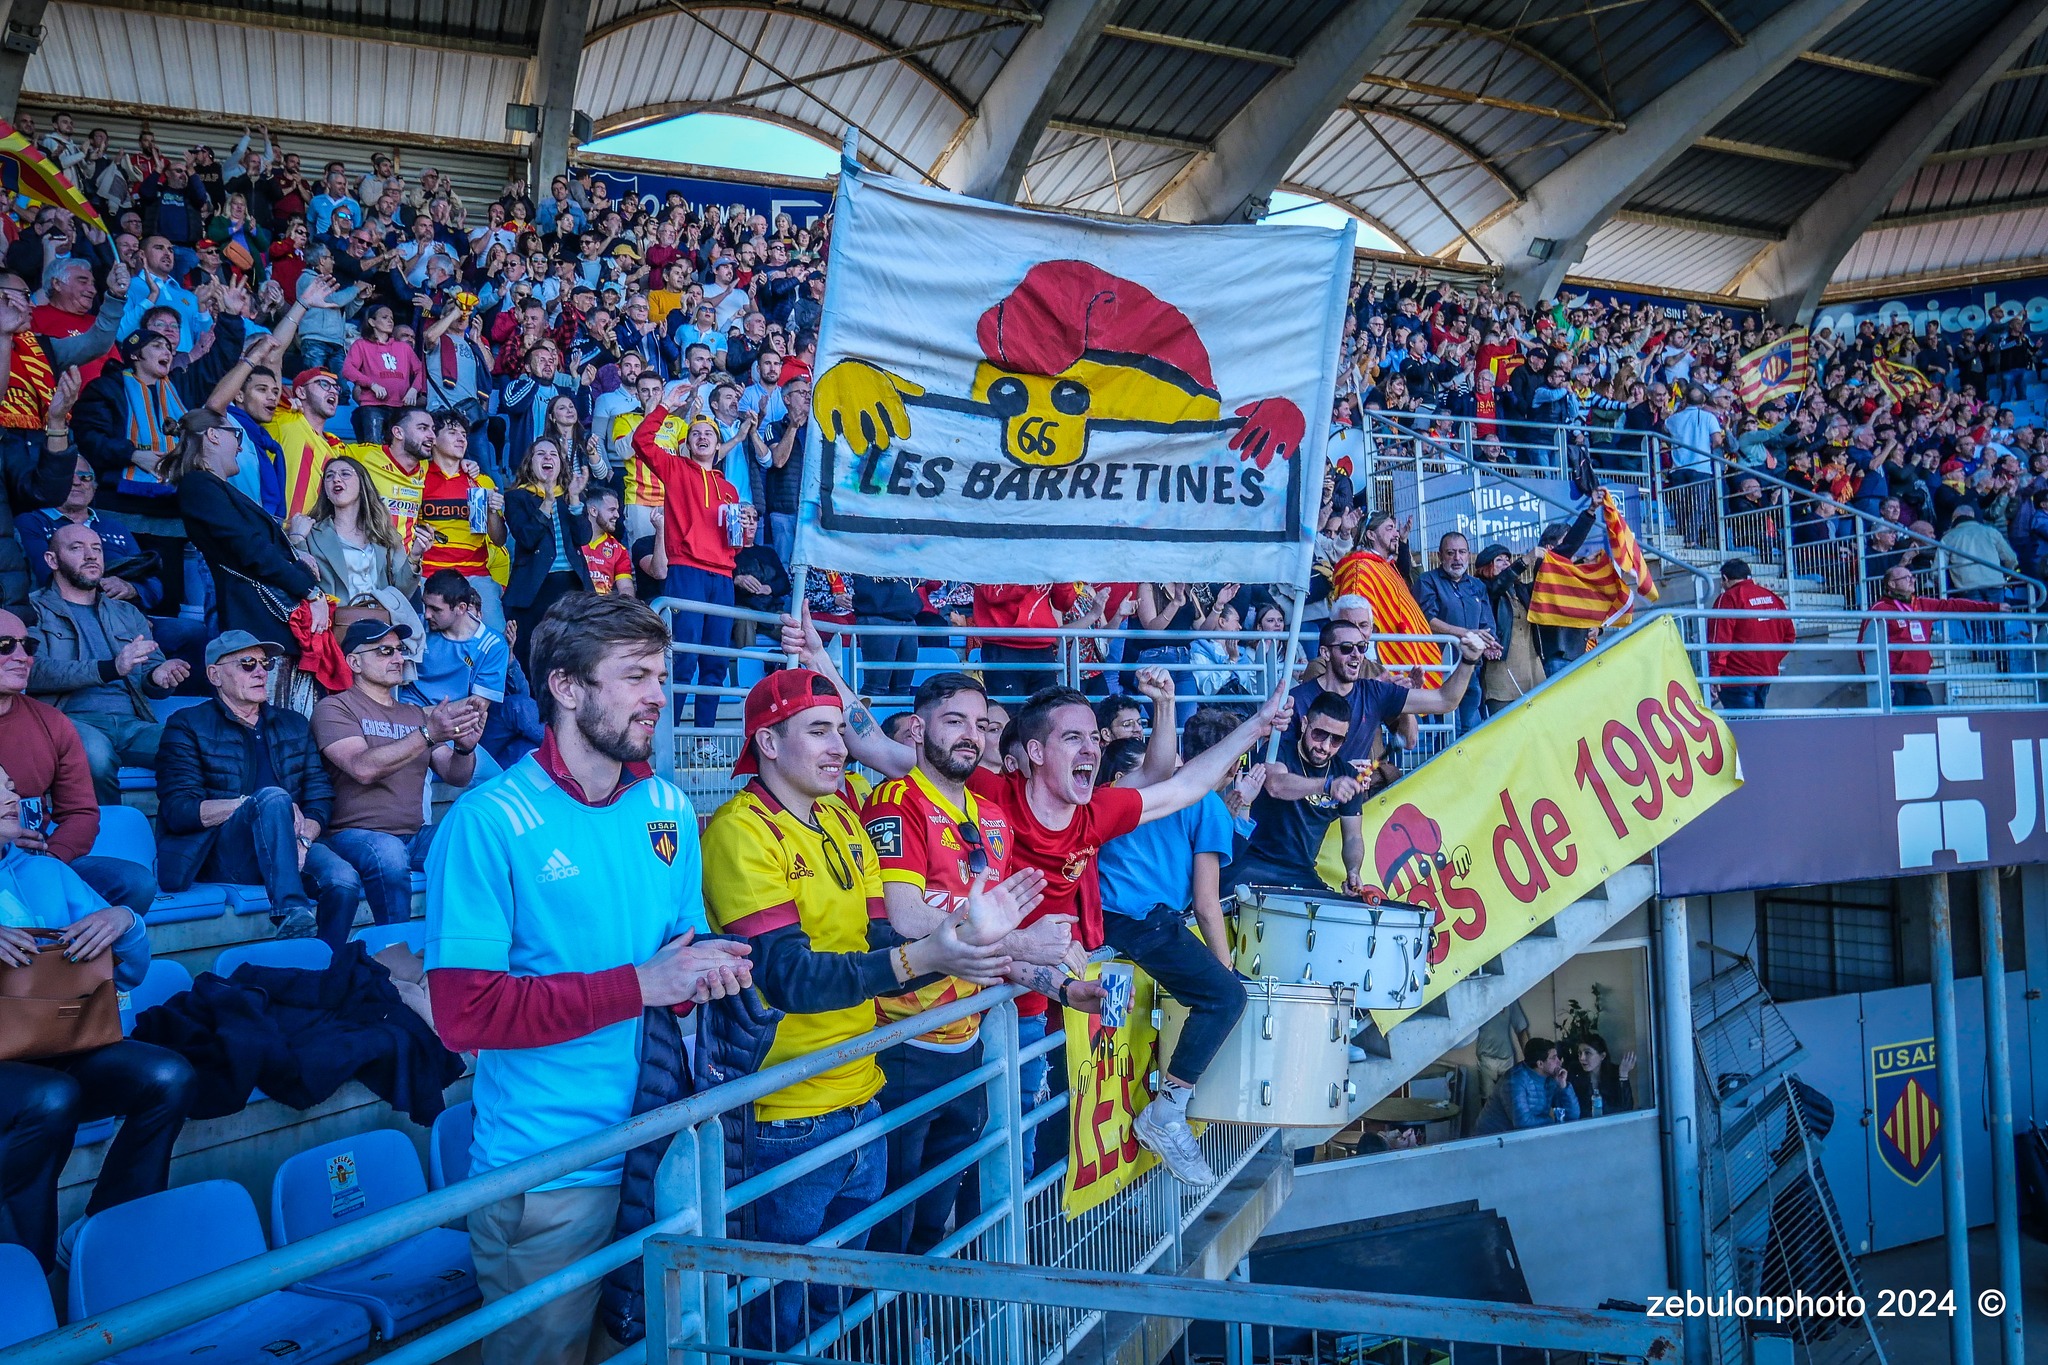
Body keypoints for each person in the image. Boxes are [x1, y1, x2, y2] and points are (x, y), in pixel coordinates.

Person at [424, 594, 753, 1365]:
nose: (659, 695)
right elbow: (464, 1013)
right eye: (635, 675)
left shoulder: (667, 805)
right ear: (567, 687)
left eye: (663, 675)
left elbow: (674, 959)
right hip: (549, 1175)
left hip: (661, 1157)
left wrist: (707, 970)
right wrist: (643, 982)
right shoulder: (488, 821)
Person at [701, 668, 1034, 1350]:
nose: (838, 747)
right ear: (766, 741)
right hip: (783, 1114)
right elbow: (788, 976)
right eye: (817, 732)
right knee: (773, 1322)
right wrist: (930, 957)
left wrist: (968, 945)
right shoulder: (741, 830)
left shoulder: (843, 816)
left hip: (865, 1093)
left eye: (838, 731)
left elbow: (880, 936)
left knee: (840, 1309)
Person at [859, 672, 1081, 1255]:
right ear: (918, 727)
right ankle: (889, 1335)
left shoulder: (993, 817)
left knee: (937, 1215)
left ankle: (926, 1332)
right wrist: (1021, 939)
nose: (970, 736)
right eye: (954, 720)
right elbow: (904, 917)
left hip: (971, 1041)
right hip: (903, 1042)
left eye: (980, 725)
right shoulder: (897, 799)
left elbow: (1001, 935)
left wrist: (1061, 987)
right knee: (894, 1221)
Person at [0, 761, 195, 1272]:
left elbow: (129, 976)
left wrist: (124, 921)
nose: (8, 793)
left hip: (57, 1043)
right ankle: (27, 1267)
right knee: (50, 1097)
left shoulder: (43, 870)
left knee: (167, 1075)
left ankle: (108, 1232)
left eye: (8, 782)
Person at [1093, 707, 1252, 1184]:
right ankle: (1168, 1111)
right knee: (1227, 997)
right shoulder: (1207, 804)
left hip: (1107, 924)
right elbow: (1207, 905)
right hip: (1139, 923)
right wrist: (1224, 969)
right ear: (1230, 765)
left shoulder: (1137, 787)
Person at [155, 630, 361, 940]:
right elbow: (178, 810)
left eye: (266, 663)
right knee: (273, 798)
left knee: (343, 879)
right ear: (214, 675)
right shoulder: (186, 724)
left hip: (293, 846)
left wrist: (303, 841)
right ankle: (291, 911)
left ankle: (327, 968)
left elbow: (320, 795)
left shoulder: (293, 723)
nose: (261, 672)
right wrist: (250, 805)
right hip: (222, 853)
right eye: (247, 663)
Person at [311, 620, 481, 949]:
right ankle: (396, 956)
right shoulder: (334, 707)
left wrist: (465, 747)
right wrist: (429, 734)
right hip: (352, 834)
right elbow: (361, 767)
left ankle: (464, 948)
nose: (398, 658)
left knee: (472, 835)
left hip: (413, 835)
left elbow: (454, 775)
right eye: (385, 651)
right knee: (389, 853)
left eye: (400, 650)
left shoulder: (414, 714)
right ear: (354, 662)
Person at [0, 606, 158, 914]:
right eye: (5, 646)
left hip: (40, 860)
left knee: (134, 882)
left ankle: (80, 959)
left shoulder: (52, 721)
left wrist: (51, 861)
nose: (22, 657)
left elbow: (81, 813)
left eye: (28, 646)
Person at [27, 522, 189, 801]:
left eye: (97, 549)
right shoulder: (32, 610)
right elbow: (34, 672)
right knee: (96, 757)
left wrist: (160, 677)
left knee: (192, 747)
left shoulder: (127, 612)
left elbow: (150, 675)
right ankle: (106, 838)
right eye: (77, 548)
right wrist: (111, 668)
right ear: (52, 560)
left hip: (132, 724)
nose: (91, 556)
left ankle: (183, 835)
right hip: (68, 721)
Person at [167, 407, 320, 660]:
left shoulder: (213, 487)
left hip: (261, 620)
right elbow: (251, 549)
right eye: (236, 437)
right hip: (250, 620)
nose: (240, 448)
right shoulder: (198, 485)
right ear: (213, 436)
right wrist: (309, 590)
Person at [1223, 691, 1367, 894]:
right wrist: (1325, 786)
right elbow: (1276, 785)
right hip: (1255, 862)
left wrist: (1353, 871)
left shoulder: (1346, 774)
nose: (1325, 746)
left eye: (1336, 740)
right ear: (1304, 724)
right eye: (1319, 734)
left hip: (1302, 873)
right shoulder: (1276, 751)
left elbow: (1353, 837)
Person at [290, 453, 425, 614]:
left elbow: (401, 593)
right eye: (329, 476)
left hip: (380, 626)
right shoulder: (311, 533)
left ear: (362, 485)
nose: (336, 479)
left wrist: (415, 556)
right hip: (334, 628)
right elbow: (300, 583)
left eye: (345, 474)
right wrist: (296, 539)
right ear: (325, 490)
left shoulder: (385, 535)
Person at [503, 438, 595, 671]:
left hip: (572, 584)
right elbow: (526, 537)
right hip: (535, 589)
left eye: (553, 454)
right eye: (540, 454)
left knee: (571, 656)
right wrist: (546, 504)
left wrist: (574, 499)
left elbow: (584, 537)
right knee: (534, 658)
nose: (548, 458)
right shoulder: (517, 497)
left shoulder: (570, 494)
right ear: (529, 463)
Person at [1862, 564, 2001, 708]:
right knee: (1895, 726)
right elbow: (1863, 646)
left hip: (1919, 679)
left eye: (1912, 577)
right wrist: (1874, 679)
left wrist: (1992, 607)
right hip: (1893, 680)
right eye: (1906, 578)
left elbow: (1954, 606)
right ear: (1892, 584)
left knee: (1924, 722)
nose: (1912, 580)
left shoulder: (1922, 604)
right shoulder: (1880, 609)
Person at [1415, 532, 1493, 735]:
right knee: (1449, 730)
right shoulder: (1427, 581)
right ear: (1440, 556)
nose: (1457, 558)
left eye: (1462, 552)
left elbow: (1487, 624)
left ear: (1469, 555)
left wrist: (1491, 643)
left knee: (1472, 729)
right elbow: (1426, 620)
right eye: (1450, 553)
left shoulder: (1477, 585)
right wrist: (1464, 633)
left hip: (1472, 667)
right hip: (1442, 667)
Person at [1705, 559, 1792, 711]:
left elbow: (1719, 640)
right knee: (1755, 723)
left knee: (1744, 726)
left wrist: (1714, 673)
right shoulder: (1772, 597)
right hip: (1765, 674)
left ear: (1725, 578)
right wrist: (1770, 659)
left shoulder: (1728, 599)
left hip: (1736, 676)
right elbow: (1789, 635)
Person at [1474, 1037, 1580, 1134]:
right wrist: (1552, 1121)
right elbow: (1522, 1123)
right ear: (1540, 1064)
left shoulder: (1551, 1078)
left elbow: (1572, 1116)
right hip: (1492, 1139)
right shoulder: (1514, 1081)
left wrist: (1563, 1086)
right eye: (1554, 1058)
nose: (1559, 1061)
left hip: (1521, 1137)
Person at [1571, 1033, 1635, 1118]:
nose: (1582, 1058)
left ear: (1602, 1056)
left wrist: (1623, 1075)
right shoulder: (1576, 1075)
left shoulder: (1614, 1073)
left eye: (1587, 1053)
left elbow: (1627, 1107)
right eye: (1580, 1053)